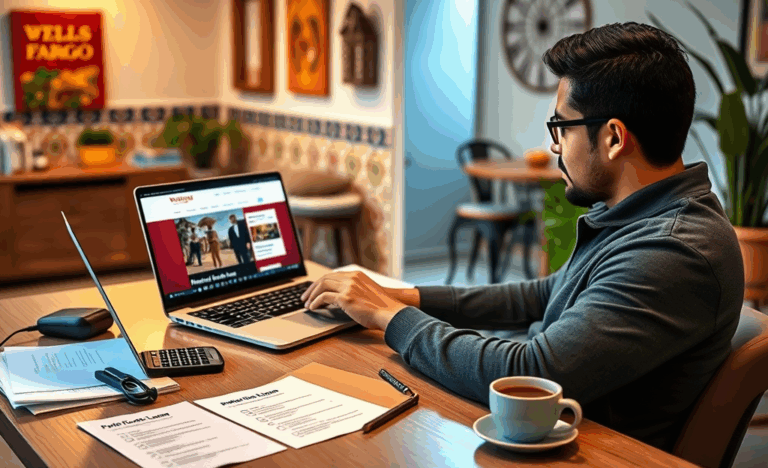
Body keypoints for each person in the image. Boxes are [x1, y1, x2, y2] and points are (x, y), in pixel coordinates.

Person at [299, 22, 744, 453]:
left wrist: (389, 317)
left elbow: (531, 373)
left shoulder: (673, 250)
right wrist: (403, 296)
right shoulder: (640, 215)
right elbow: (542, 295)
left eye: (561, 127)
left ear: (612, 138)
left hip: (583, 449)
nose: (554, 146)